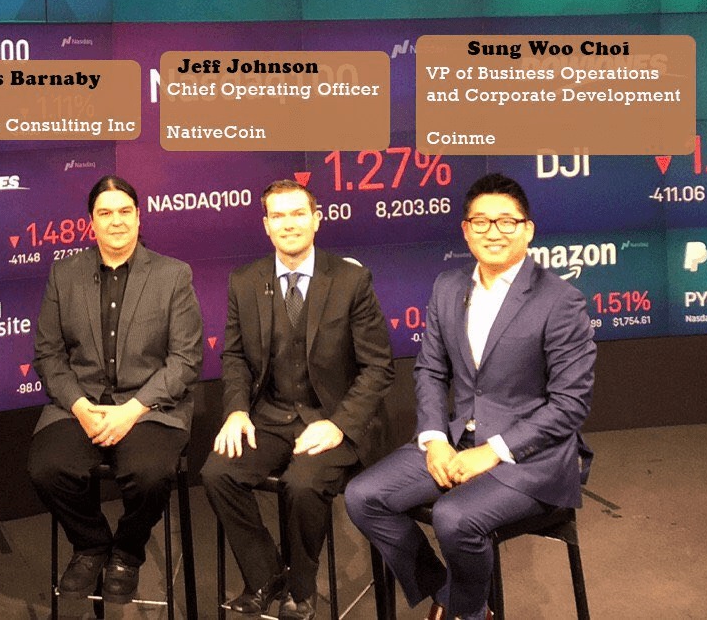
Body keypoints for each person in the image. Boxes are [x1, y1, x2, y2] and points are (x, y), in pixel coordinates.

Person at [345, 173, 596, 620]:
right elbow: (430, 370)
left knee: (454, 517)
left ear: (528, 229)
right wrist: (434, 439)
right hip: (458, 439)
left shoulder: (561, 301)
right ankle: (450, 595)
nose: (493, 232)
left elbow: (569, 404)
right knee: (364, 496)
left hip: (533, 458)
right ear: (465, 230)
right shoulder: (448, 286)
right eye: (481, 222)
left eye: (506, 221)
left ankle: (466, 612)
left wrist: (493, 451)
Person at [201, 179, 396, 620]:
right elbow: (234, 356)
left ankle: (301, 590)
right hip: (270, 415)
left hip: (332, 416)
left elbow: (378, 367)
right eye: (279, 216)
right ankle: (267, 574)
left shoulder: (350, 280)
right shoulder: (244, 281)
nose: (288, 224)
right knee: (217, 473)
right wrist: (236, 410)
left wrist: (339, 424)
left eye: (297, 214)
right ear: (266, 225)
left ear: (316, 220)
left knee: (302, 484)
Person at [28, 174, 204, 603]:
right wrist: (80, 406)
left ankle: (127, 551)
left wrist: (133, 410)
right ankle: (91, 545)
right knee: (46, 469)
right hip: (81, 404)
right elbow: (49, 354)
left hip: (150, 407)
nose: (116, 221)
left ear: (139, 217)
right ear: (91, 222)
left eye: (125, 211)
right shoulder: (64, 274)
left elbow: (185, 359)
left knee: (150, 476)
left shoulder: (173, 275)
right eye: (105, 213)